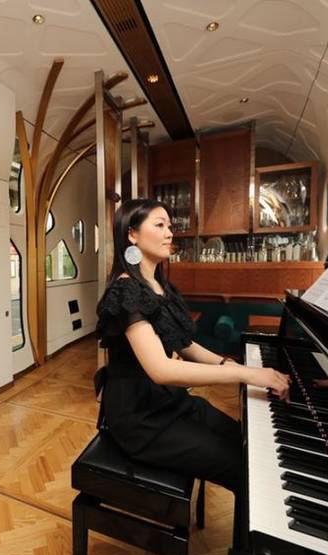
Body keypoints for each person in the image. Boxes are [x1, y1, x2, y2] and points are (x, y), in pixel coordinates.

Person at [95, 198, 290, 493]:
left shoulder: (159, 285)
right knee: (241, 468)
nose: (170, 233)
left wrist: (228, 363)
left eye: (170, 226)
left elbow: (184, 344)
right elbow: (161, 370)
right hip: (140, 417)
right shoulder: (126, 290)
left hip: (170, 401)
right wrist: (245, 374)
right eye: (159, 225)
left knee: (246, 442)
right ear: (132, 235)